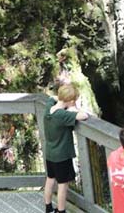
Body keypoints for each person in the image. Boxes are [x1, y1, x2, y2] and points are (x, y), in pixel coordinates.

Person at [43, 83, 89, 213]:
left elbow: (52, 98)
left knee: (50, 179)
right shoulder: (62, 115)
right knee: (63, 185)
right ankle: (61, 210)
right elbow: (84, 115)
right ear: (71, 101)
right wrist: (74, 108)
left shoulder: (49, 108)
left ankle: (48, 207)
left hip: (50, 154)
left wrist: (63, 100)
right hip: (62, 156)